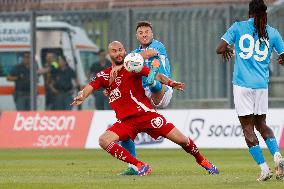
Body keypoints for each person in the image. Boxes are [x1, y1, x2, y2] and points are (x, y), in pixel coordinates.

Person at [71, 41, 219, 176]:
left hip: (146, 116)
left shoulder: (132, 66)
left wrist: (171, 83)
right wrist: (81, 96)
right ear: (109, 54)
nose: (118, 53)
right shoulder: (104, 75)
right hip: (126, 122)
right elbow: (89, 87)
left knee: (182, 140)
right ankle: (140, 165)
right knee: (104, 140)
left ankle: (202, 160)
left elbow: (157, 75)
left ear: (125, 50)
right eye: (114, 51)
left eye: (121, 50)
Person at [216, 0, 284, 181]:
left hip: (242, 84)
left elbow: (219, 48)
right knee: (262, 124)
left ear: (249, 13)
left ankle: (264, 169)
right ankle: (277, 156)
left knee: (248, 127)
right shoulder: (273, 33)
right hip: (261, 85)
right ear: (265, 13)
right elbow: (283, 57)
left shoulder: (238, 27)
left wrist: (228, 49)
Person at [120, 21, 175, 175]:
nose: (144, 34)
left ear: (152, 34)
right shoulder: (134, 53)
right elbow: (124, 73)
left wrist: (128, 59)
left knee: (153, 83)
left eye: (147, 32)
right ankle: (133, 166)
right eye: (141, 33)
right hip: (143, 99)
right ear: (137, 36)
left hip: (163, 91)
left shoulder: (158, 46)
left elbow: (148, 54)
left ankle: (152, 81)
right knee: (125, 128)